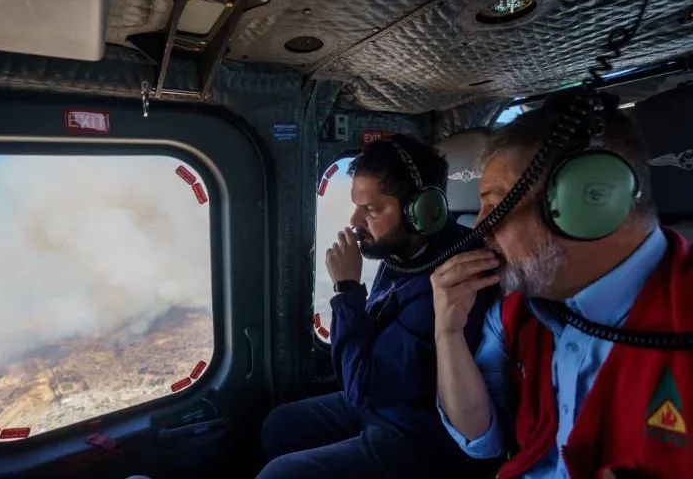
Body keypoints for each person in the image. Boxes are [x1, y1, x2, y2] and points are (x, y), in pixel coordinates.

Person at [432, 93, 693, 478]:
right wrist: (447, 330)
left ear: (589, 200)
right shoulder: (519, 309)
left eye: (495, 204)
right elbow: (480, 440)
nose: (478, 226)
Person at [257, 134, 498, 478]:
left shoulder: (449, 281)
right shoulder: (402, 253)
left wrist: (346, 289)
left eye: (370, 209)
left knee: (280, 474)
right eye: (357, 206)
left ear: (421, 210)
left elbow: (363, 389)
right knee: (279, 425)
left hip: (418, 430)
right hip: (385, 403)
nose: (355, 221)